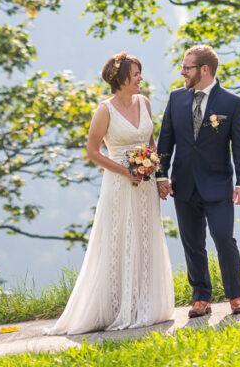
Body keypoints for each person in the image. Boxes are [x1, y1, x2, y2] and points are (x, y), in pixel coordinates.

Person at [44, 52, 174, 334]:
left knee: (145, 238)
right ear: (122, 78)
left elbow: (151, 141)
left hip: (146, 183)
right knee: (120, 240)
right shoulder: (104, 110)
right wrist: (124, 169)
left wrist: (160, 175)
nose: (141, 79)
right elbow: (92, 151)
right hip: (119, 184)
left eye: (140, 73)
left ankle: (144, 304)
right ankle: (116, 306)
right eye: (136, 74)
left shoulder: (145, 103)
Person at [156, 43, 240, 317]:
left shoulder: (231, 103)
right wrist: (161, 175)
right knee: (192, 244)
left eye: (187, 67)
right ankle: (201, 298)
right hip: (183, 185)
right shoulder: (176, 99)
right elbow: (166, 141)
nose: (182, 72)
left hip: (218, 185)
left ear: (205, 69)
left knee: (223, 238)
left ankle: (235, 296)